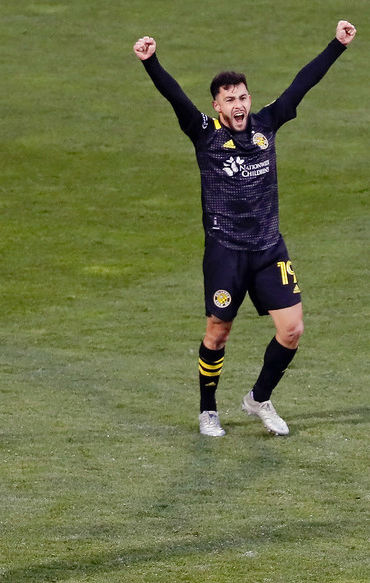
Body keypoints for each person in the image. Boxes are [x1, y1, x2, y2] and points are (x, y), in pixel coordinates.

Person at [133, 20, 356, 436]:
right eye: (229, 99)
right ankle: (208, 409)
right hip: (226, 250)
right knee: (218, 334)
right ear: (217, 106)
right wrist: (151, 62)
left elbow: (301, 84)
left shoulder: (266, 125)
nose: (239, 104)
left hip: (269, 247)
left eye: (243, 96)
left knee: (292, 330)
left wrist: (337, 45)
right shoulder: (205, 134)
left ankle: (258, 399)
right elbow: (175, 97)